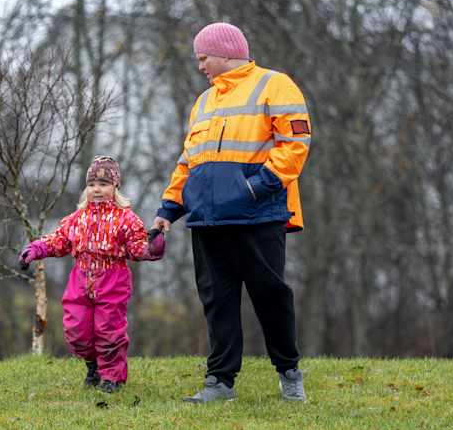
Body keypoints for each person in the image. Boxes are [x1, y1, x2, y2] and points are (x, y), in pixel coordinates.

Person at [151, 22, 312, 403]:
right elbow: (188, 161)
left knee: (270, 296)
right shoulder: (204, 101)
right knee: (217, 301)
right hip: (207, 219)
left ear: (224, 52)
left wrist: (256, 187)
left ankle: (289, 372)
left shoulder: (275, 84)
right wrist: (168, 209)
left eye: (203, 58)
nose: (200, 66)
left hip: (259, 215)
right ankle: (219, 383)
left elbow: (296, 143)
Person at [19, 155, 165, 394]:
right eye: (92, 184)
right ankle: (93, 366)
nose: (97, 189)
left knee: (108, 330)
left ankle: (112, 377)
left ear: (115, 187)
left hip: (112, 278)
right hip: (81, 277)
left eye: (104, 184)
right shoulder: (78, 219)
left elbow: (139, 248)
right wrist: (35, 249)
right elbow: (58, 241)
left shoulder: (126, 219)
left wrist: (153, 246)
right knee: (76, 330)